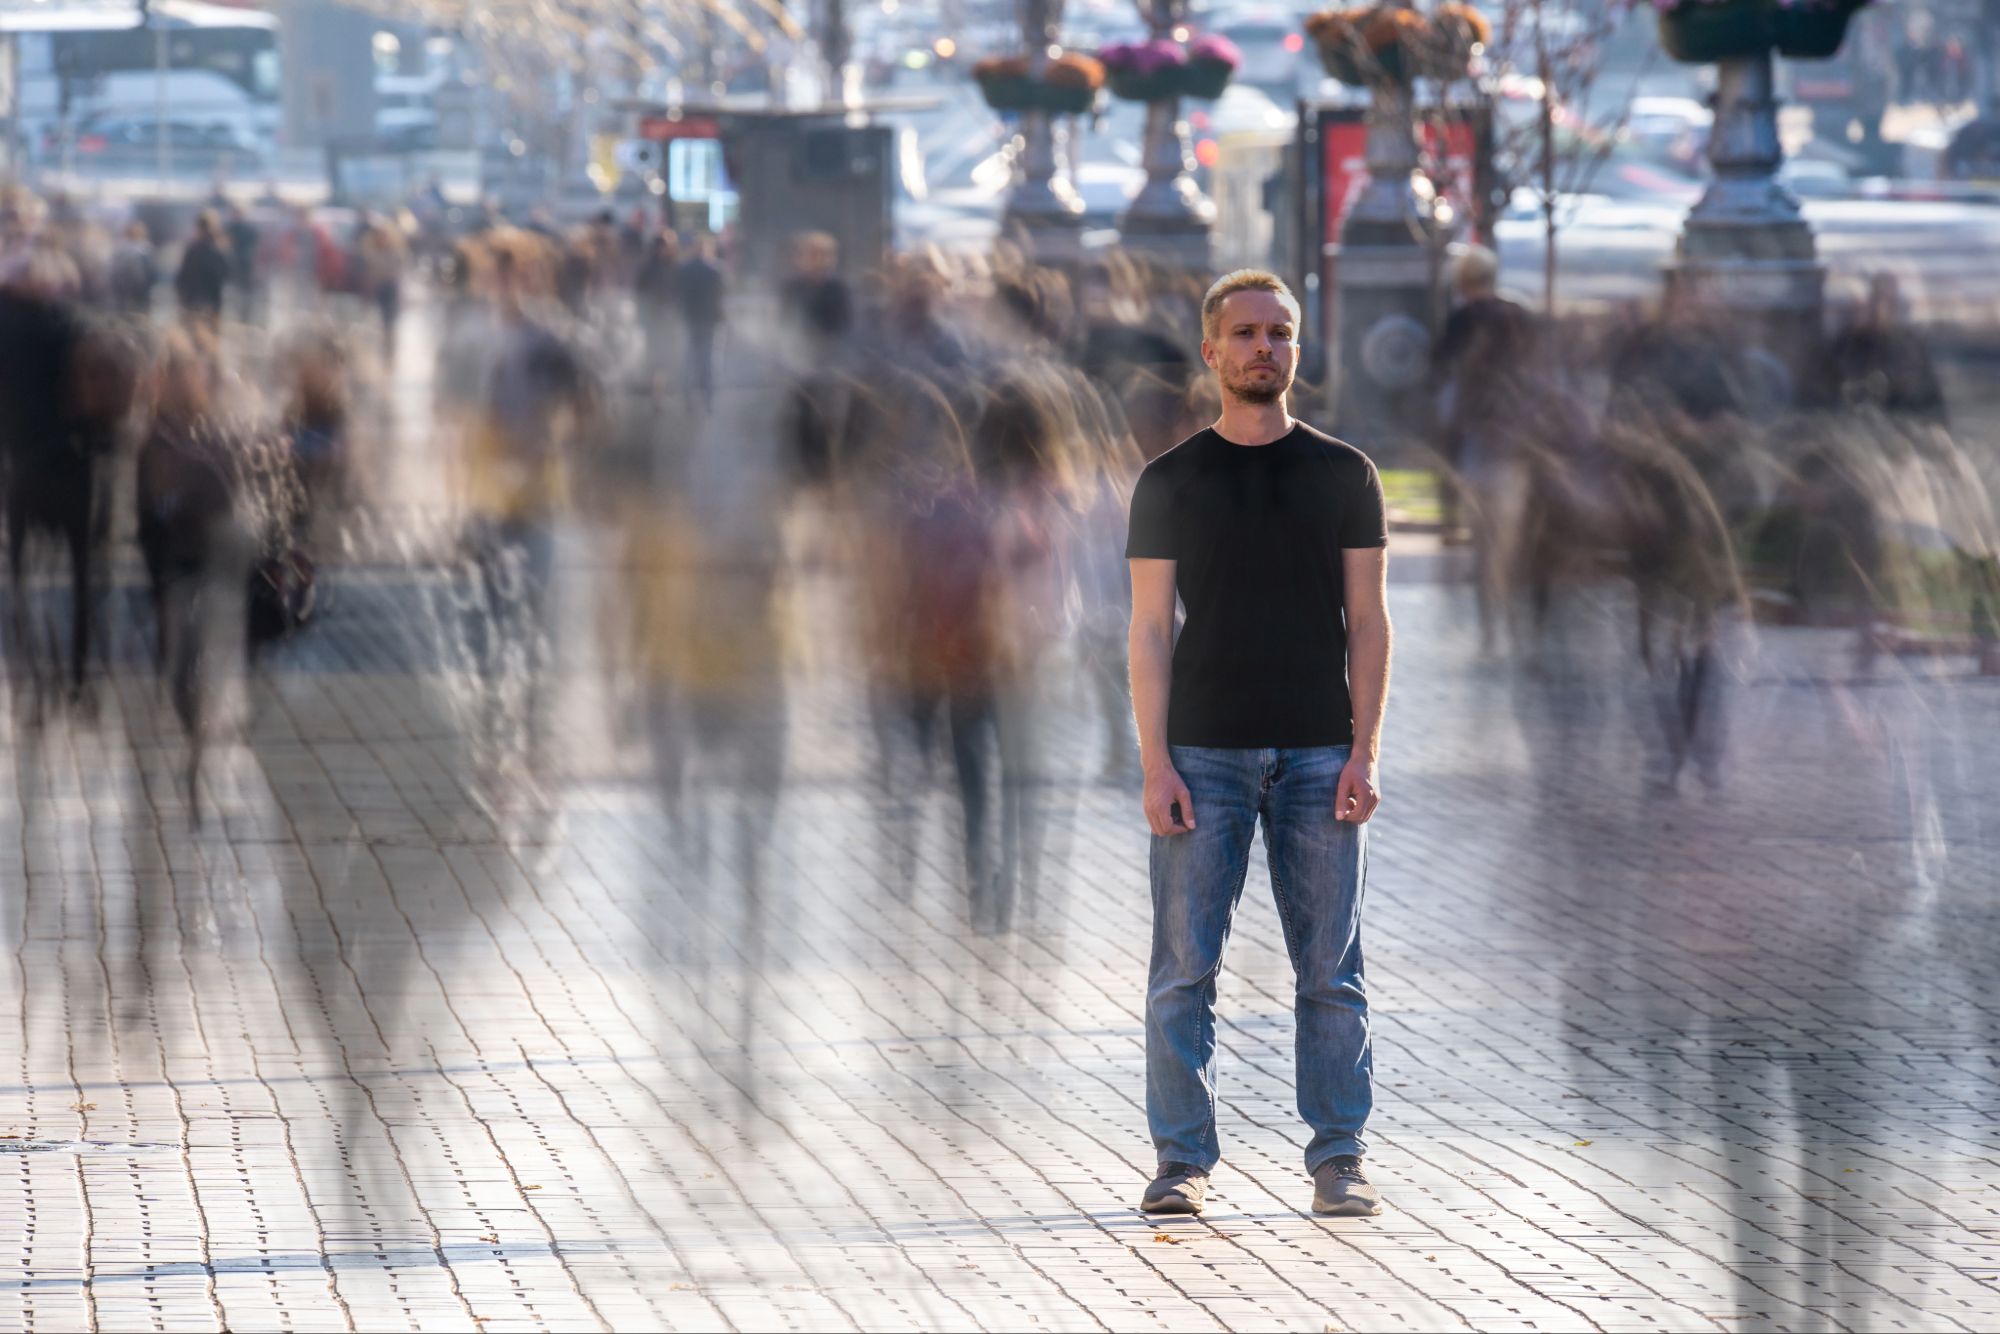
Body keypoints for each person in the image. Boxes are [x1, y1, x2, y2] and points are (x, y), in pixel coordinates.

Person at [1124, 269, 1392, 1219]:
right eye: (1244, 333)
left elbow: (1369, 619)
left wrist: (1365, 750)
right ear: (1211, 353)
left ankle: (1340, 1158)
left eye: (1279, 333)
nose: (1262, 348)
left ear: (1297, 351)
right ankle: (1182, 1162)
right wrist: (1155, 763)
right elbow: (1149, 630)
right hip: (1204, 753)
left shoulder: (1344, 475)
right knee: (1184, 971)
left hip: (1321, 752)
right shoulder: (1170, 482)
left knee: (1331, 972)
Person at [672, 234, 726, 408]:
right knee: (709, 359)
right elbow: (722, 296)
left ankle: (688, 395)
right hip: (710, 319)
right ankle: (709, 397)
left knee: (689, 358)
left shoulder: (683, 269)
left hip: (689, 318)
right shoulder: (716, 269)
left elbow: (677, 295)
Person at [174, 211, 231, 331]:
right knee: (209, 340)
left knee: (193, 338)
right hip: (211, 303)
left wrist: (181, 298)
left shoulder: (192, 249)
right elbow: (226, 274)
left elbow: (181, 278)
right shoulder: (218, 249)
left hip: (191, 301)